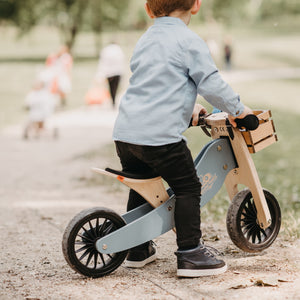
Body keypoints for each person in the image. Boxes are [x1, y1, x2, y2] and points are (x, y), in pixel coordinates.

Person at [112, 0, 253, 278]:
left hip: (126, 134)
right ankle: (190, 253)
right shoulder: (189, 40)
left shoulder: (145, 39)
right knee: (188, 186)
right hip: (158, 138)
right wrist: (239, 111)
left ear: (149, 9)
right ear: (196, 5)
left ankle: (137, 249)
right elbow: (211, 84)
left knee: (143, 184)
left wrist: (189, 109)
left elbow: (156, 85)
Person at [96, 42, 125, 108]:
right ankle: (114, 100)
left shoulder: (106, 50)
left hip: (110, 73)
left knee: (111, 87)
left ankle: (113, 100)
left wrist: (101, 74)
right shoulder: (119, 50)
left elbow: (103, 63)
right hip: (118, 71)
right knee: (116, 87)